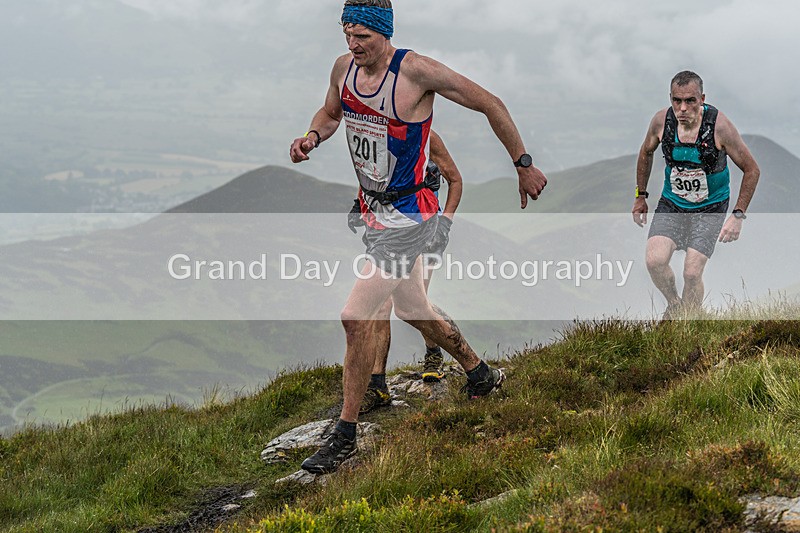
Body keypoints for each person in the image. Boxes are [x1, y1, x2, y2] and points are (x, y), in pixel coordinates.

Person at [289, 0, 547, 474]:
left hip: (411, 216)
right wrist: (312, 137)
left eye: (362, 36)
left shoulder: (417, 73)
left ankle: (345, 432)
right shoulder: (344, 69)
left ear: (384, 33)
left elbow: (491, 103)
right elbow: (330, 112)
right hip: (374, 212)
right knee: (413, 308)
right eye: (346, 33)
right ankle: (480, 373)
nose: (352, 44)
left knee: (354, 316)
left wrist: (523, 164)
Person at [632, 70, 760, 319]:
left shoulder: (719, 127)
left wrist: (738, 215)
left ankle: (690, 321)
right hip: (673, 203)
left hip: (709, 208)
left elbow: (752, 169)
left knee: (691, 272)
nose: (682, 108)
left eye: (690, 100)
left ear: (702, 98)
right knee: (654, 261)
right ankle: (674, 305)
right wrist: (641, 196)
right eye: (676, 100)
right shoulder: (661, 122)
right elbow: (645, 152)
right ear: (670, 98)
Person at [353, 130, 463, 415]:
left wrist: (446, 223)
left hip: (426, 229)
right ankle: (377, 383)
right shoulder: (375, 132)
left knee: (418, 304)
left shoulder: (427, 137)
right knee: (382, 304)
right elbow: (373, 178)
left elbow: (455, 180)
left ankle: (434, 353)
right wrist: (359, 204)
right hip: (389, 231)